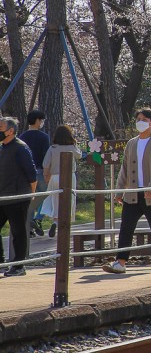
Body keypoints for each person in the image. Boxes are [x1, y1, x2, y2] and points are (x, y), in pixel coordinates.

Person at [102, 109, 151, 274]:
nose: (140, 122)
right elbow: (124, 170)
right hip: (132, 193)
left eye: (144, 119)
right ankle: (121, 262)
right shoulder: (131, 143)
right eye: (138, 119)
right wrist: (119, 191)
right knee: (126, 227)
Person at [0, 117, 36, 276]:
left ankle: (19, 265)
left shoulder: (21, 148)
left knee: (18, 231)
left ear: (10, 131)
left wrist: (32, 194)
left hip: (18, 198)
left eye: (1, 127)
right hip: (2, 197)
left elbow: (32, 173)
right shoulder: (1, 148)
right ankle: (1, 261)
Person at [39, 125, 82, 238]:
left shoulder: (52, 148)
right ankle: (65, 225)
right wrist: (75, 144)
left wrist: (46, 176)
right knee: (69, 199)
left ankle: (55, 222)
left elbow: (46, 164)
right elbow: (80, 155)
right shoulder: (72, 147)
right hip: (69, 177)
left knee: (55, 201)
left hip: (55, 177)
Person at [19, 110, 49, 239]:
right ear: (37, 120)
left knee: (30, 198)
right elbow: (46, 157)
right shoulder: (43, 137)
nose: (42, 123)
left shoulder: (22, 137)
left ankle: (28, 226)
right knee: (46, 195)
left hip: (25, 172)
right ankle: (37, 218)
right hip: (40, 170)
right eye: (41, 120)